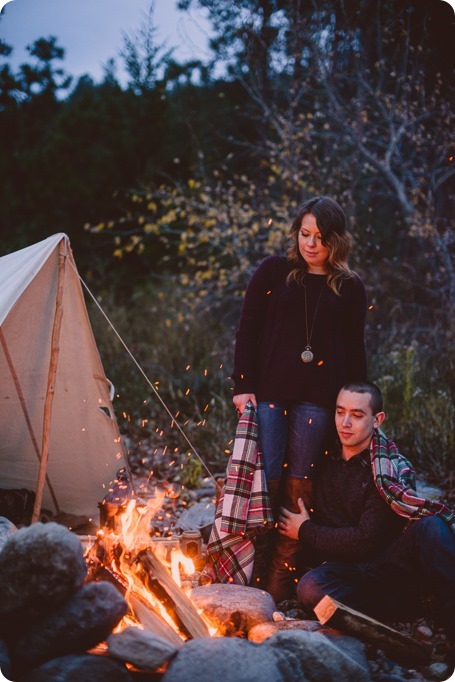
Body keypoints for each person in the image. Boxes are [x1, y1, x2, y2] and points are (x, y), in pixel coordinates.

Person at [231, 195, 368, 601]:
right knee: (266, 481)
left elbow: (354, 351)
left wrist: (359, 407)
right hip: (270, 395)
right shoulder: (274, 272)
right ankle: (250, 570)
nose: (311, 244)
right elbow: (248, 329)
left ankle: (280, 578)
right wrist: (242, 386)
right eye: (305, 234)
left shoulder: (349, 287)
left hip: (319, 401)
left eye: (320, 237)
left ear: (336, 241)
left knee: (299, 487)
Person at [278, 381, 455, 638]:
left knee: (432, 527)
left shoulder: (384, 468)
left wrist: (305, 531)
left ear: (377, 420)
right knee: (310, 587)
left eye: (357, 415)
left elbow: (366, 541)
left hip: (388, 562)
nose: (345, 423)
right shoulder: (322, 456)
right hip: (345, 572)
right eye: (340, 412)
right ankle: (405, 609)